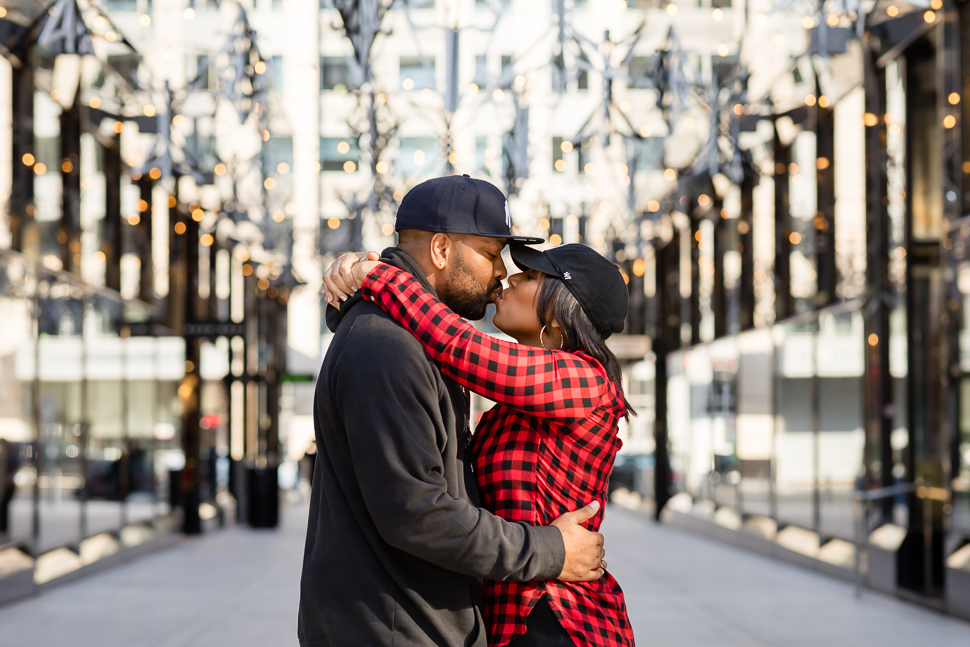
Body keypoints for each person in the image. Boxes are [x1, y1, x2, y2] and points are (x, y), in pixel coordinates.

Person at [299, 175, 607, 647]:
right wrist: (549, 549)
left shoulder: (570, 378)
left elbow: (454, 344)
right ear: (441, 249)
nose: (501, 274)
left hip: (526, 618)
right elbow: (418, 512)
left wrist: (369, 284)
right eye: (490, 255)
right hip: (396, 628)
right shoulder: (390, 346)